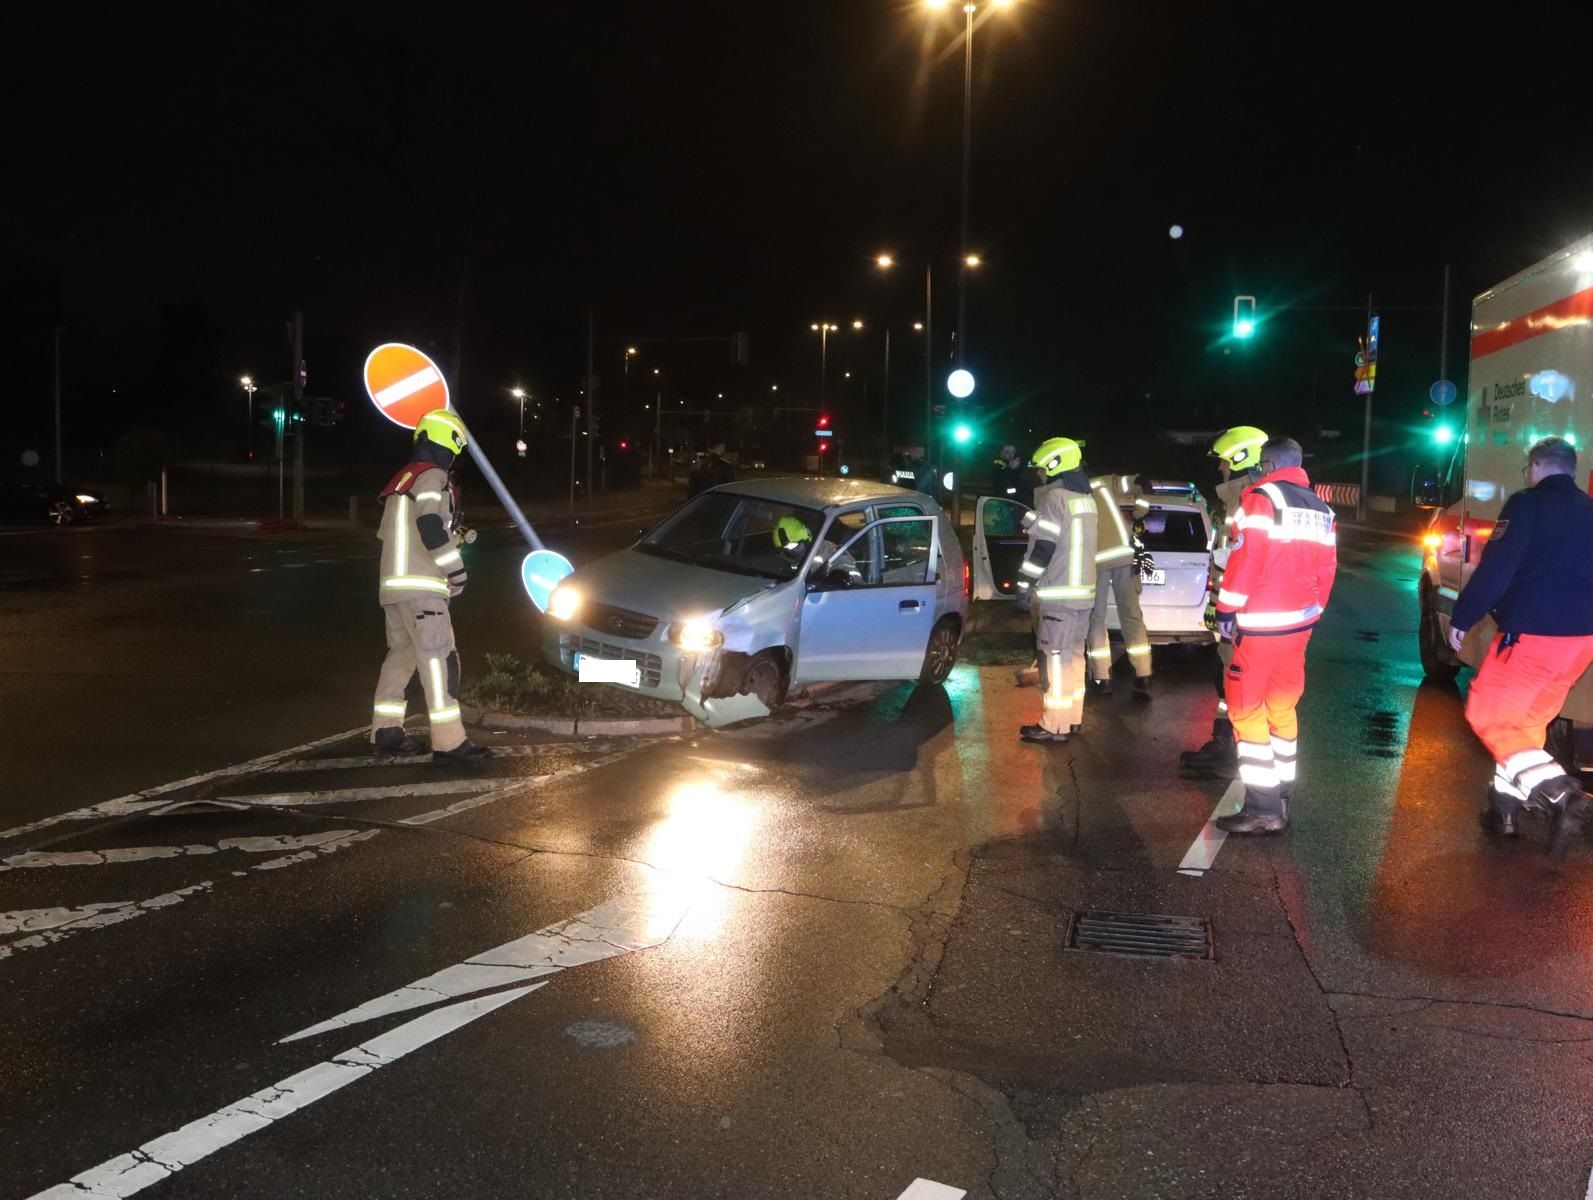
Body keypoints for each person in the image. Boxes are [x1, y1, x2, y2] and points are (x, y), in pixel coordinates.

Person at [1449, 436, 1593, 855]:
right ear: (1572, 468)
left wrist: (1463, 617)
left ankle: (1562, 795)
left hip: (1532, 636)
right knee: (1526, 724)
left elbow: (1498, 569)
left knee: (1487, 713)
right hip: (1581, 643)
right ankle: (1504, 811)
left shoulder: (1527, 505)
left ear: (1534, 468)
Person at [1211, 436, 1337, 834]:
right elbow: (1327, 570)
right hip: (1298, 626)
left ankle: (1264, 810)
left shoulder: (1260, 498)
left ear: (1268, 464)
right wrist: (1313, 613)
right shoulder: (1322, 508)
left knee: (1247, 712)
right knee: (1282, 708)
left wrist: (1227, 609)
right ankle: (1282, 792)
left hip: (1261, 625)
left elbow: (1246, 559)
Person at [370, 409, 492, 763]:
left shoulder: (402, 481)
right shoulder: (434, 477)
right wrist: (456, 571)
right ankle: (450, 743)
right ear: (449, 442)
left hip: (393, 590)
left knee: (399, 661)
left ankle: (386, 732)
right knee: (440, 663)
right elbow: (429, 525)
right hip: (422, 591)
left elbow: (393, 535)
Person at [1179, 425, 1270, 775]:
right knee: (1225, 680)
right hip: (1235, 612)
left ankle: (1230, 753)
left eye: (1222, 461)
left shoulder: (1250, 499)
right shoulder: (1240, 498)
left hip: (1243, 616)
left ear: (1239, 458)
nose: (1219, 468)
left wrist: (1226, 610)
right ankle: (1225, 744)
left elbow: (1239, 563)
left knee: (1235, 681)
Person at [1018, 437, 1097, 743]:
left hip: (1060, 596)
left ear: (1055, 465)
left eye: (1041, 468)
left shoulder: (1056, 499)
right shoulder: (1086, 500)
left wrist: (1025, 583)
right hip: (1083, 596)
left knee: (1056, 660)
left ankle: (1053, 725)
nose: (1039, 474)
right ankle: (1072, 719)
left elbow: (1044, 549)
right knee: (1075, 658)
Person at [1086, 470, 1154, 697]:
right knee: (1132, 616)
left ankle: (1102, 678)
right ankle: (1143, 675)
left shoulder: (1067, 492)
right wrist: (1140, 513)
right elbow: (1143, 483)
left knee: (1096, 618)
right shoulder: (1105, 482)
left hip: (1095, 561)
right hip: (1123, 555)